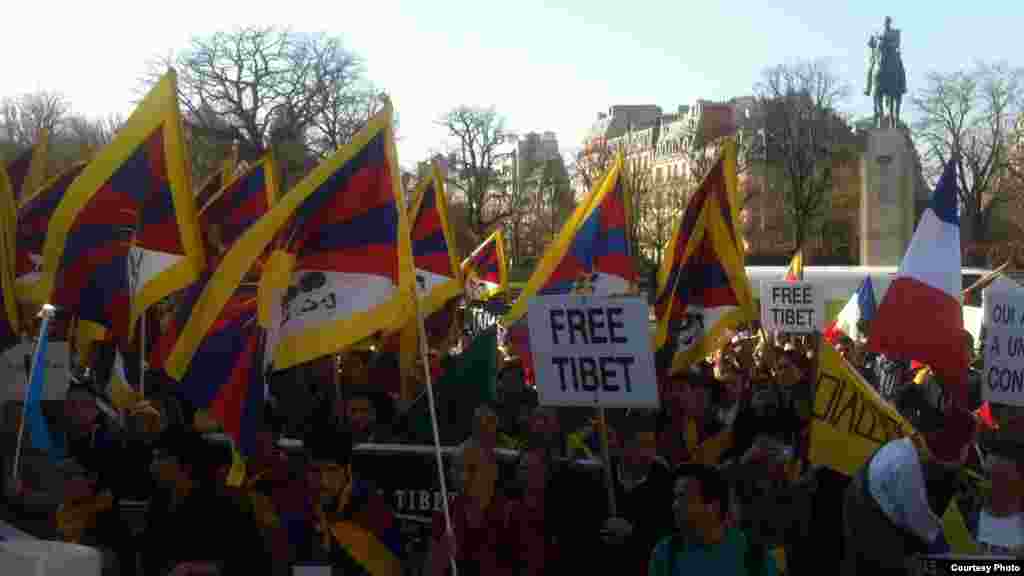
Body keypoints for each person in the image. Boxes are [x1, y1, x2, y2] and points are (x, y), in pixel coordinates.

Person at [841, 407, 977, 575]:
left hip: (865, 500)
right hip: (870, 524)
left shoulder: (906, 445)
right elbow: (926, 530)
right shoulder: (908, 470)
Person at [649, 464, 777, 576]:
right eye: (675, 498)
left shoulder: (755, 556)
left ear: (713, 507)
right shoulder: (665, 553)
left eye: (683, 498)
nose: (675, 506)